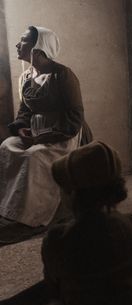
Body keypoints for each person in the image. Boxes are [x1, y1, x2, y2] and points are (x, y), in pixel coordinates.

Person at [0, 141, 132, 305]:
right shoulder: (128, 223)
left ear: (73, 194)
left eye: (63, 188)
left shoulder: (58, 238)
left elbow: (54, 289)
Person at [0, 26, 91, 227]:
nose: (17, 45)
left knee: (34, 156)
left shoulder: (63, 75)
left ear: (38, 48)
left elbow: (74, 118)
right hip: (34, 133)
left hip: (63, 135)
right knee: (7, 146)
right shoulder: (26, 77)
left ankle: (33, 213)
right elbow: (25, 110)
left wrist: (40, 138)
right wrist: (21, 128)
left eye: (23, 41)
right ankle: (9, 208)